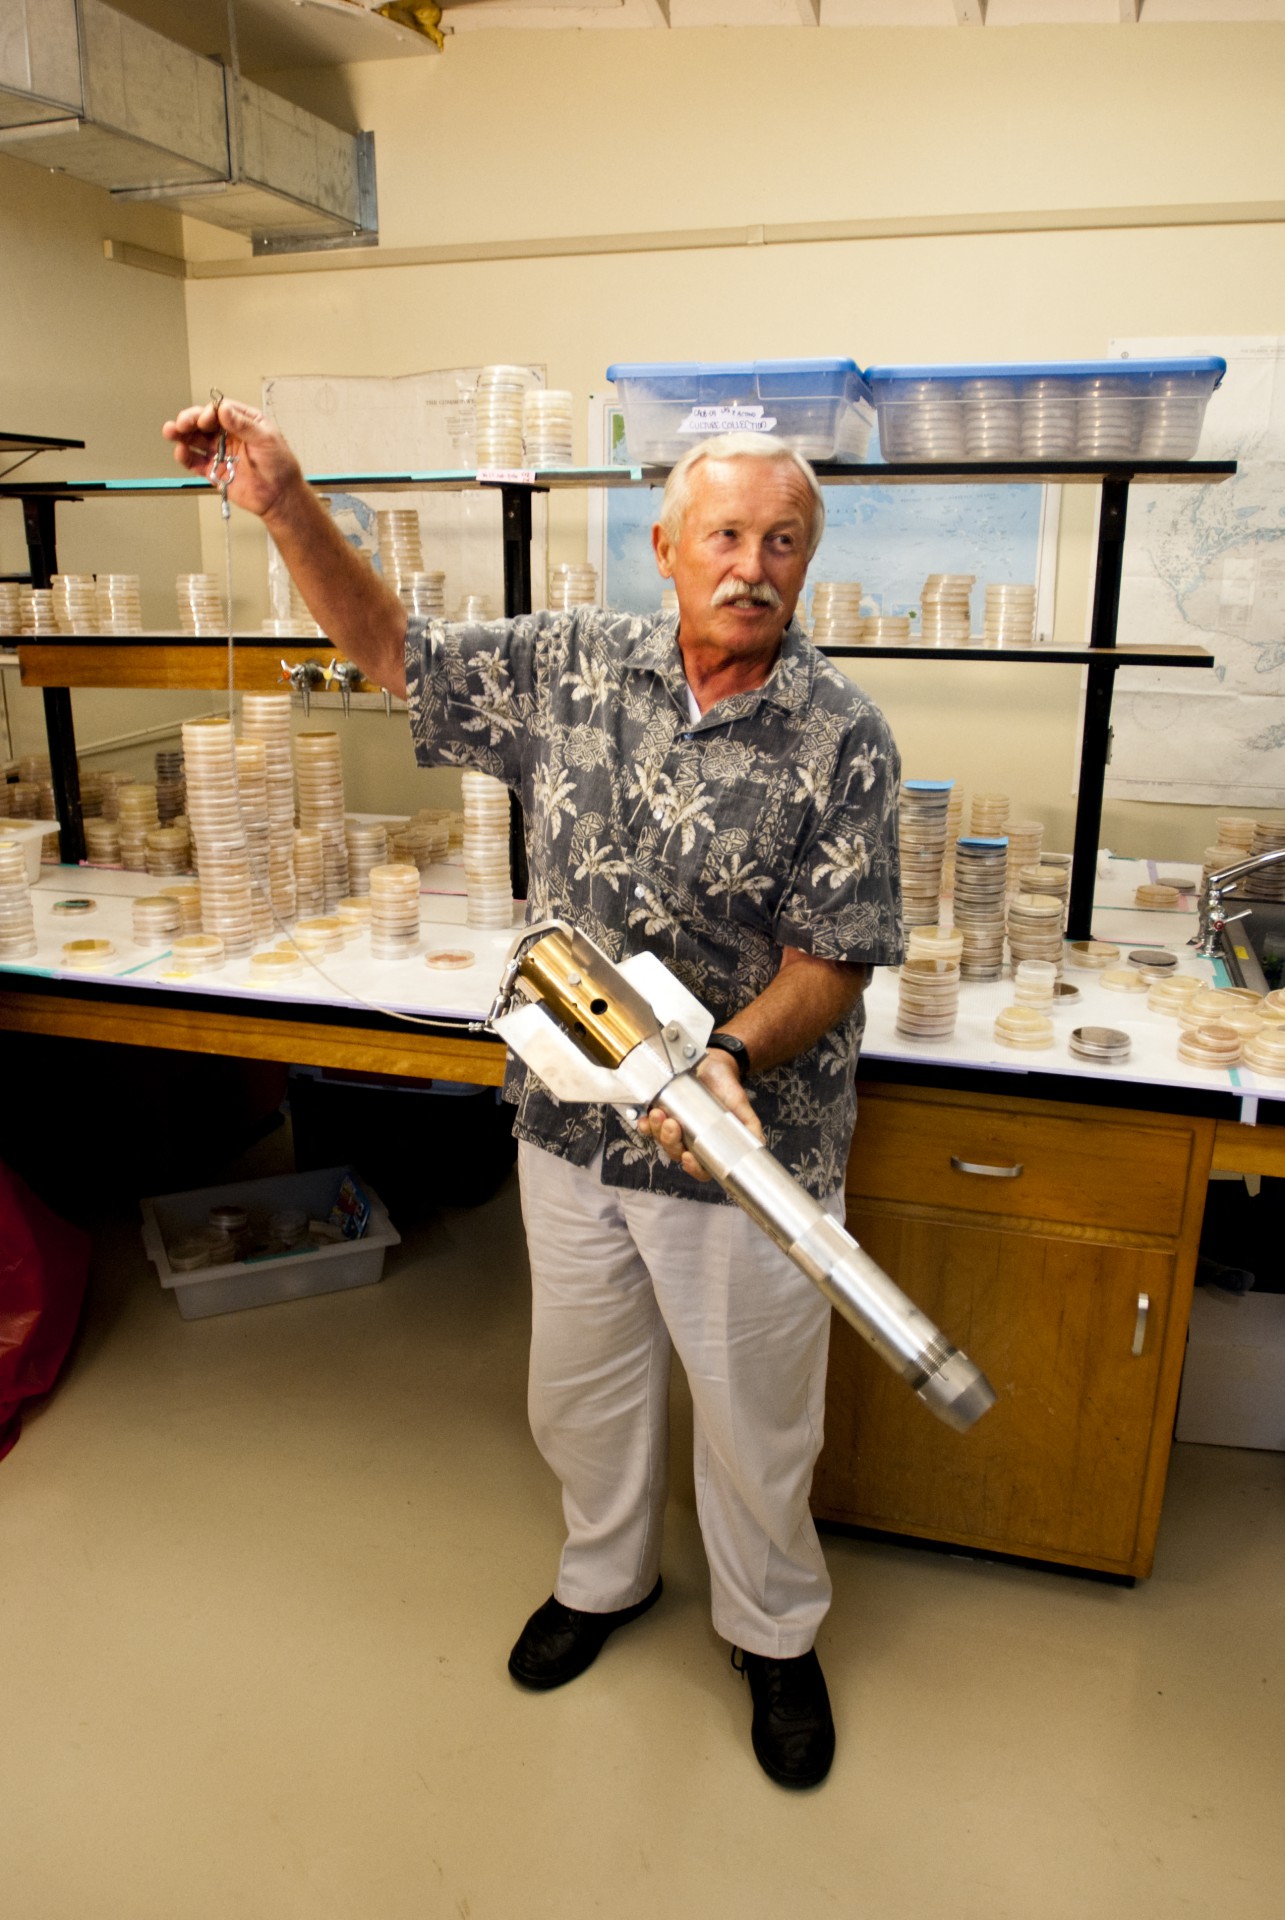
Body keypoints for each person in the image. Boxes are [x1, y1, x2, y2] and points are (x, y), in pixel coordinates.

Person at [163, 399, 904, 1789]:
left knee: (757, 1417)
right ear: (666, 546)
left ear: (807, 561)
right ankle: (604, 1576)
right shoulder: (570, 667)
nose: (751, 567)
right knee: (582, 1386)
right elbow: (394, 651)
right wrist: (286, 504)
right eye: (724, 535)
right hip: (570, 1122)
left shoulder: (841, 737)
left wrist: (728, 1060)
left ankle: (772, 1631)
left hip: (742, 1146)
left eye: (782, 542)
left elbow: (834, 957)